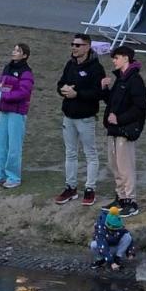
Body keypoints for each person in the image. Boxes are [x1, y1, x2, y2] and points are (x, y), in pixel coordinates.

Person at [55, 34, 107, 207]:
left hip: (85, 118)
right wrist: (63, 89)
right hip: (68, 116)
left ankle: (90, 188)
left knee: (90, 153)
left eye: (78, 45)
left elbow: (98, 93)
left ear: (87, 47)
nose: (74, 47)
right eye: (73, 44)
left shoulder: (96, 68)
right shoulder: (70, 64)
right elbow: (60, 83)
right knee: (70, 152)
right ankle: (70, 187)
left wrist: (78, 94)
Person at [103, 45, 146, 218]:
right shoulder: (121, 79)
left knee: (125, 166)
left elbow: (140, 106)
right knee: (114, 164)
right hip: (114, 129)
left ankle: (131, 201)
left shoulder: (135, 80)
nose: (114, 60)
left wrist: (120, 119)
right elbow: (112, 102)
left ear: (126, 58)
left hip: (125, 130)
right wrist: (104, 89)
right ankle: (120, 198)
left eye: (116, 57)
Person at [0, 43, 34, 189]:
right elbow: (0, 84)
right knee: (0, 144)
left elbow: (23, 93)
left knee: (14, 146)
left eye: (18, 50)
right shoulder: (8, 67)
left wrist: (5, 95)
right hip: (4, 111)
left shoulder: (26, 72)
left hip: (17, 112)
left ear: (25, 55)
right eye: (14, 49)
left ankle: (13, 177)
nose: (14, 52)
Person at [90, 206, 134, 271]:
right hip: (104, 248)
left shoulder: (118, 224)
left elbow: (127, 234)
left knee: (127, 237)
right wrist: (111, 262)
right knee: (93, 245)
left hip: (116, 247)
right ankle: (101, 260)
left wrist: (130, 252)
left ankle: (117, 258)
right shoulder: (100, 228)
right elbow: (103, 246)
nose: (115, 231)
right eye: (113, 230)